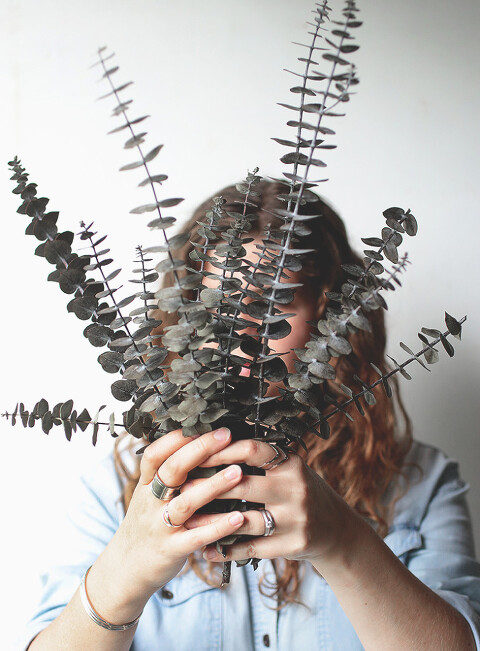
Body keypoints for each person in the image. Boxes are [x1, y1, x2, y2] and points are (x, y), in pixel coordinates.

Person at [22, 181, 480, 650]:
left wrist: (345, 543)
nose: (240, 335)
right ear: (183, 314)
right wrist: (124, 574)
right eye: (216, 307)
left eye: (275, 303)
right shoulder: (115, 489)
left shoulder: (420, 485)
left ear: (330, 314)